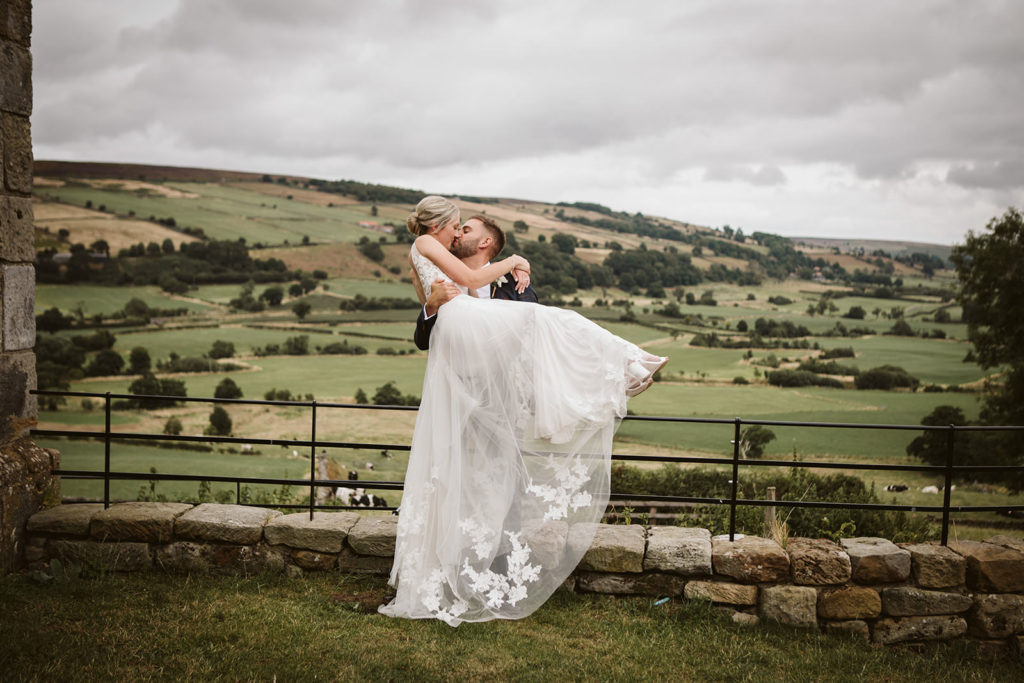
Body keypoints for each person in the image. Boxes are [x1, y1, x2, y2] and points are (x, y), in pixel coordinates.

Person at [379, 196, 666, 626]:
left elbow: (520, 312)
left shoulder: (498, 280)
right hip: (459, 369)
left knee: (546, 324)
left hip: (495, 400)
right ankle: (622, 368)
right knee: (555, 320)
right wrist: (443, 299)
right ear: (441, 224)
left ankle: (481, 569)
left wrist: (518, 274)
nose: (459, 234)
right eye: (457, 226)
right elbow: (439, 309)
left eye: (466, 230)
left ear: (486, 240)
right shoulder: (431, 248)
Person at [413, 214, 538, 350]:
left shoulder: (515, 282)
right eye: (457, 229)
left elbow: (531, 334)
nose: (456, 234)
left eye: (465, 231)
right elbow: (422, 343)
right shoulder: (441, 281)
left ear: (485, 242)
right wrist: (430, 306)